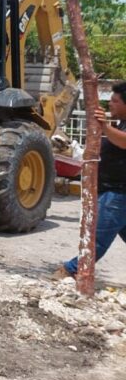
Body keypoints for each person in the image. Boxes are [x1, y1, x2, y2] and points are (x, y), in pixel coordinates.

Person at [54, 82, 126, 279]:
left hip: (118, 194)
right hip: (112, 191)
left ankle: (70, 270)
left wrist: (104, 127)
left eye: (115, 101)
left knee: (97, 238)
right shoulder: (120, 124)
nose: (110, 104)